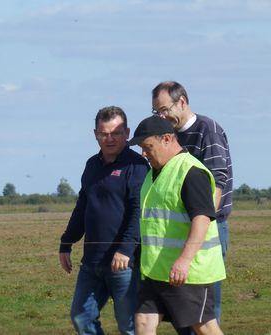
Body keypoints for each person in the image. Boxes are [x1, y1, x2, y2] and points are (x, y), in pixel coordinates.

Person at [128, 116, 226, 335]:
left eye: (148, 147)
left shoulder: (191, 172)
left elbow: (202, 219)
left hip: (188, 272)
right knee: (143, 322)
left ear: (167, 139)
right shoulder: (153, 173)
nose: (144, 153)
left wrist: (184, 260)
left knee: (205, 327)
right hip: (156, 270)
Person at [59, 106, 149, 335]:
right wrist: (66, 242)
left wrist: (126, 250)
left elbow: (138, 211)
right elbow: (82, 207)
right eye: (104, 133)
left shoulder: (137, 166)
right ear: (95, 134)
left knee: (129, 327)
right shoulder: (91, 165)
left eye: (116, 133)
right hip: (91, 262)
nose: (109, 139)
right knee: (81, 317)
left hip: (123, 264)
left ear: (127, 133)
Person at [151, 81, 233, 324]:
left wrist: (202, 225)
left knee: (204, 307)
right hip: (178, 229)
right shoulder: (170, 134)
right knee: (184, 303)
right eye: (156, 112)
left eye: (165, 110)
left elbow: (217, 181)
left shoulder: (208, 129)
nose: (162, 116)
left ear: (183, 102)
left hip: (207, 229)